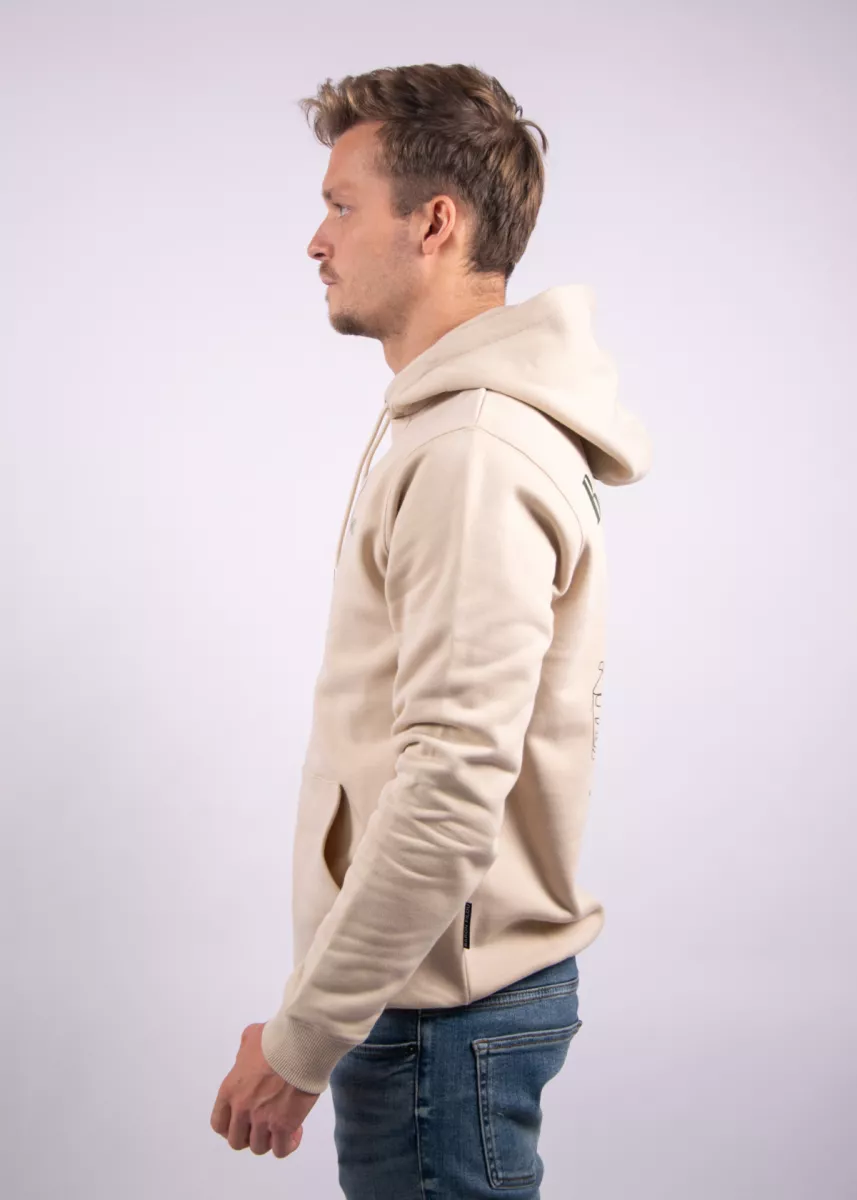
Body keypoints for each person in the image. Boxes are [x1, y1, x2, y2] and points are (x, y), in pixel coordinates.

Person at [211, 61, 652, 1196]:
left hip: (439, 1023)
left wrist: (300, 1041)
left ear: (434, 223)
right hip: (428, 1003)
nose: (316, 240)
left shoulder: (471, 452)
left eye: (340, 204)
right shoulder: (455, 430)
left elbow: (450, 785)